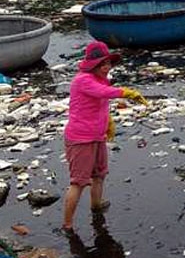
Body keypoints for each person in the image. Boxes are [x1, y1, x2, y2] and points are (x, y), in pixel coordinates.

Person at [61, 40, 147, 231]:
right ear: (92, 65)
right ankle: (67, 224)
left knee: (100, 175)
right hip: (81, 138)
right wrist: (126, 92)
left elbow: (100, 101)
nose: (106, 67)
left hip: (97, 136)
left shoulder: (101, 79)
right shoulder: (83, 80)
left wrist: (108, 122)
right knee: (79, 182)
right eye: (102, 64)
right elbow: (103, 93)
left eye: (108, 63)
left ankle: (96, 206)